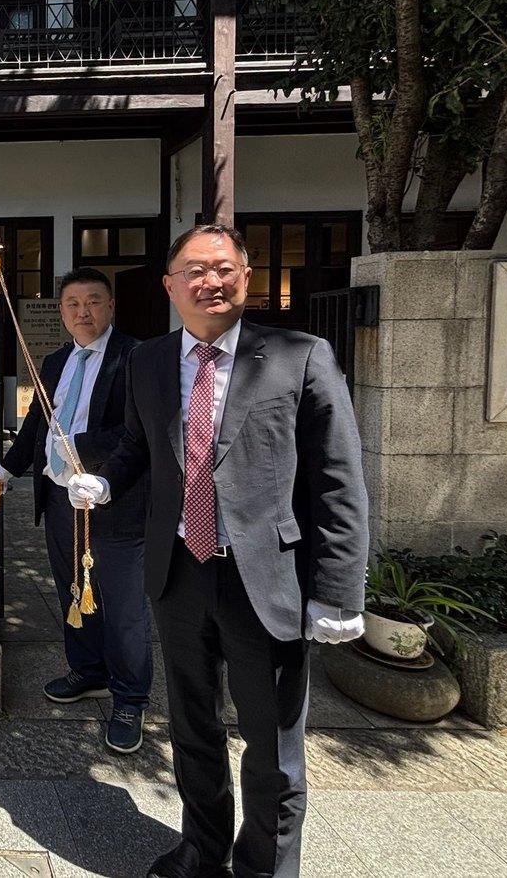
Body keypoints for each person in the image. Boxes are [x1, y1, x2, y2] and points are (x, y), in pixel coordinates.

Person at [67, 224, 369, 878]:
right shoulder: (149, 362)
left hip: (267, 581)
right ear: (170, 285)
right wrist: (108, 480)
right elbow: (140, 451)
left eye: (225, 268)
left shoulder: (300, 355)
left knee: (273, 748)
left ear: (247, 277)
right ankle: (201, 854)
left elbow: (339, 481)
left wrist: (339, 592)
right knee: (193, 733)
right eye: (195, 270)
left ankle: (263, 868)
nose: (212, 281)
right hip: (179, 574)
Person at [0, 266, 152, 753]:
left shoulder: (135, 357)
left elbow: (137, 434)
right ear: (62, 312)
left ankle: (129, 699)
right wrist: (5, 469)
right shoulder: (57, 361)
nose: (83, 312)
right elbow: (38, 425)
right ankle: (88, 671)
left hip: (113, 500)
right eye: (73, 304)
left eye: (94, 301)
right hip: (62, 499)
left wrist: (80, 448)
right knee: (72, 590)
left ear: (111, 306)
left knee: (123, 605)